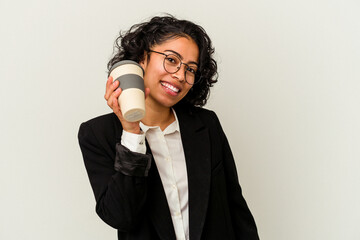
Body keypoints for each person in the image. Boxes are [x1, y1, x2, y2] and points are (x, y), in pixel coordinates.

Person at [78, 15, 259, 240]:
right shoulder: (98, 134)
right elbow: (121, 217)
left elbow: (235, 207)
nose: (180, 76)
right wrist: (132, 133)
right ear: (142, 57)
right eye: (171, 60)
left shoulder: (207, 124)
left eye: (190, 69)